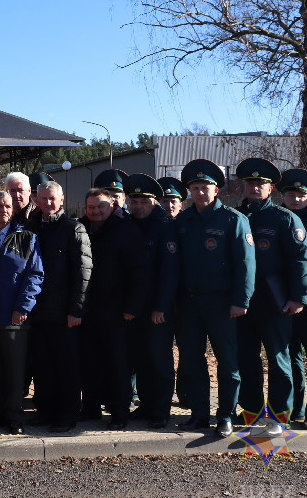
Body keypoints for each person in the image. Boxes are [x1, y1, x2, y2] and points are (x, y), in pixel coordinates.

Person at [172, 159, 255, 437]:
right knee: (192, 360)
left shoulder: (234, 220)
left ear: (216, 189)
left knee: (228, 361)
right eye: (194, 187)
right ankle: (199, 414)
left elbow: (246, 264)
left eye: (205, 187)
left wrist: (241, 300)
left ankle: (226, 416)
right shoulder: (183, 221)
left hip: (222, 305)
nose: (199, 192)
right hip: (189, 304)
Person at [234, 158, 307, 435]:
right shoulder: (235, 216)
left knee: (279, 358)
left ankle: (280, 416)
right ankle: (251, 412)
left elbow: (300, 259)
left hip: (275, 301)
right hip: (243, 302)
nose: (255, 187)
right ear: (244, 185)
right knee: (247, 358)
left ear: (271, 188)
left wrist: (298, 297)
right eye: (251, 183)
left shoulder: (284, 218)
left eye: (261, 183)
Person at [78, 188, 149, 430]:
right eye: (91, 208)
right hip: (87, 310)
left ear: (112, 206)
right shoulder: (81, 228)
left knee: (117, 364)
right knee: (89, 361)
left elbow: (140, 273)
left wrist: (132, 307)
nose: (95, 211)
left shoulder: (126, 230)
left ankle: (119, 412)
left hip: (117, 311)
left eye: (100, 207)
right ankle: (91, 408)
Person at [26, 180, 91, 433]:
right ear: (36, 201)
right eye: (42, 199)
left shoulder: (74, 228)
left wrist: (77, 310)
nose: (47, 203)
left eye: (51, 198)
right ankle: (46, 411)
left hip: (65, 313)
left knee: (67, 366)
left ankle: (67, 415)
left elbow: (83, 273)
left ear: (61, 199)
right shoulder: (31, 227)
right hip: (38, 311)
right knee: (43, 364)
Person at [0, 191, 43, 435]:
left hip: (13, 316)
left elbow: (35, 274)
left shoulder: (27, 237)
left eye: (7, 206)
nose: (3, 210)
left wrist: (23, 307)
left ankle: (14, 415)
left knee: (15, 369)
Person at [125, 174, 180, 429]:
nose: (137, 206)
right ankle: (146, 405)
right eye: (133, 201)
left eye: (143, 202)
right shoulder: (129, 225)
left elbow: (170, 272)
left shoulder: (164, 226)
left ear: (153, 202)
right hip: (135, 308)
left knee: (159, 360)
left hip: (157, 308)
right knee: (141, 358)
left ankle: (161, 410)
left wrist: (161, 307)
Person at [280, 168, 307, 427]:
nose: (296, 199)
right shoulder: (278, 218)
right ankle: (296, 408)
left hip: (304, 298)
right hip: (282, 299)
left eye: (301, 194)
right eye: (291, 194)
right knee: (290, 356)